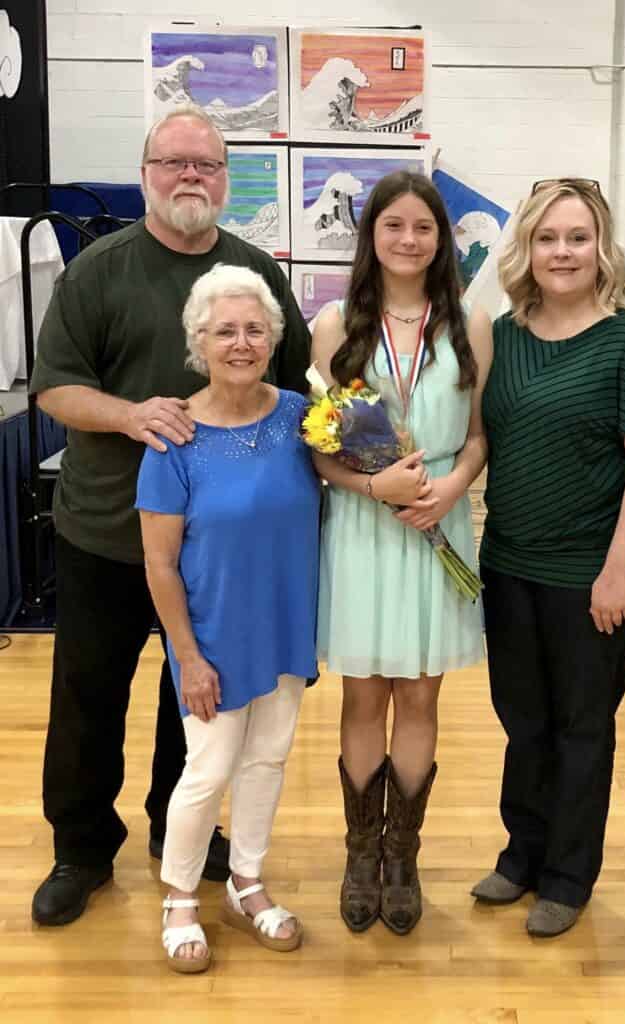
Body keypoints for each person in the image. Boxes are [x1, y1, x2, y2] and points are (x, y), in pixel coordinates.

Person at [29, 105, 311, 927]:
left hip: (218, 552)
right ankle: (80, 848)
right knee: (89, 695)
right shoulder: (100, 270)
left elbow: (299, 392)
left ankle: (172, 830)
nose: (191, 176)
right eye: (174, 162)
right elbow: (53, 389)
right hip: (110, 532)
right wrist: (130, 414)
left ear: (226, 178)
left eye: (207, 164)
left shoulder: (257, 272)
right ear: (147, 172)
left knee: (189, 698)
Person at [470, 179, 625, 937]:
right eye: (549, 238)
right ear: (528, 247)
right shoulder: (505, 334)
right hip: (509, 564)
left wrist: (619, 570)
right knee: (523, 720)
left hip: (590, 575)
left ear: (601, 249)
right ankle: (521, 854)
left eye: (578, 238)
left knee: (582, 728)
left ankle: (568, 873)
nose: (563, 252)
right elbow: (482, 437)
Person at [311, 170, 492, 935]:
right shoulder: (332, 324)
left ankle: (403, 856)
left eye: (424, 227)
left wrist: (450, 489)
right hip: (364, 525)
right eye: (394, 227)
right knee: (364, 695)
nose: (409, 239)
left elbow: (481, 435)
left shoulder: (471, 324)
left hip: (440, 520)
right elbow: (320, 449)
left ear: (441, 238)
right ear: (372, 236)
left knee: (420, 693)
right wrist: (372, 487)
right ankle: (361, 855)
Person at [136, 264, 317, 972]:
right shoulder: (174, 437)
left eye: (254, 329)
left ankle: (246, 880)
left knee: (268, 760)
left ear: (272, 338)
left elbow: (360, 467)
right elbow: (158, 564)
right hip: (210, 635)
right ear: (199, 342)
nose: (241, 343)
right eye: (224, 332)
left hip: (283, 625)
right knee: (208, 770)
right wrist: (189, 655)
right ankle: (179, 896)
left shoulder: (302, 416)